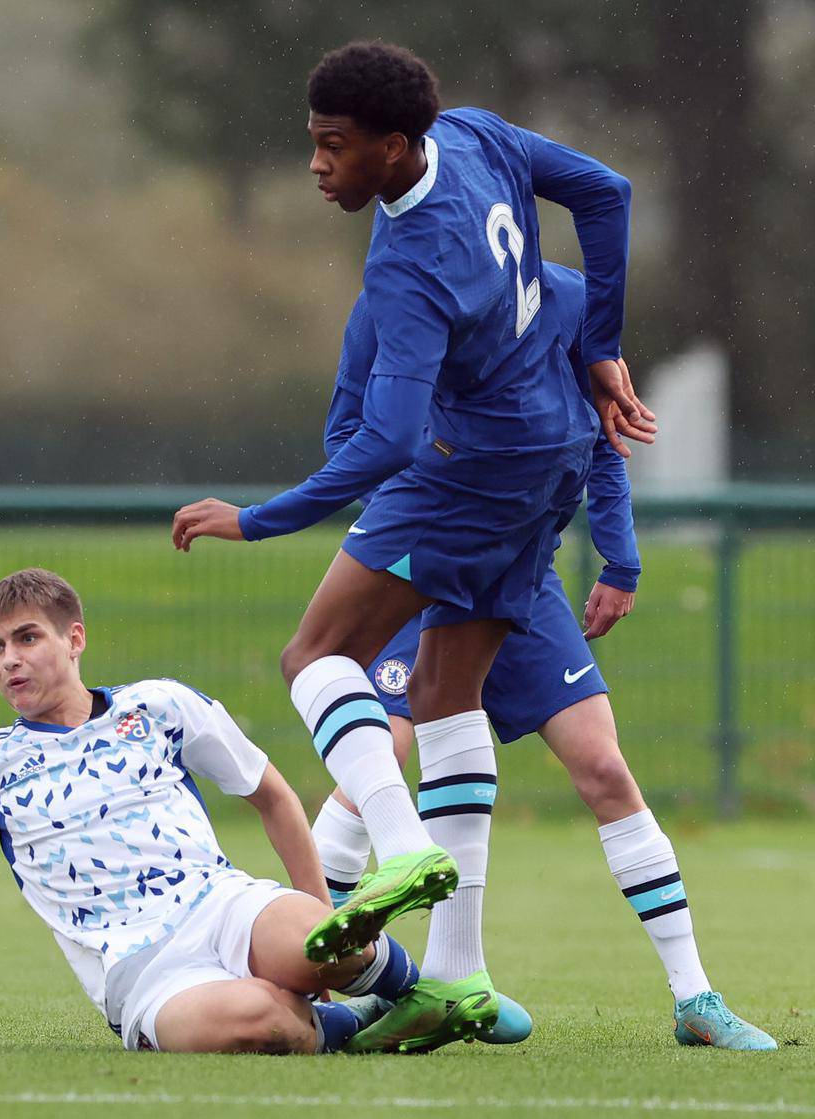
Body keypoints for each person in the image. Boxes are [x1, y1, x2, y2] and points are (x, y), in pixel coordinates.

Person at [169, 40, 657, 1051]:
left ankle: (397, 849)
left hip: (466, 472)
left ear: (394, 147)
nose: (317, 166)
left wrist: (256, 519)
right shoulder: (475, 133)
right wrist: (602, 340)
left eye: (334, 147)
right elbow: (605, 192)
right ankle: (455, 976)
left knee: (315, 656)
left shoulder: (407, 267)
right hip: (549, 463)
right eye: (313, 144)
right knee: (444, 696)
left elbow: (386, 441)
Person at [307, 264, 775, 1050]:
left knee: (603, 766)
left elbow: (604, 432)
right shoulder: (389, 300)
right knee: (379, 756)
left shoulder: (562, 301)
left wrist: (620, 560)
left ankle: (695, 996)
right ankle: (325, 978)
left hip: (522, 575)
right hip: (425, 561)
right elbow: (347, 435)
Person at [0, 569, 452, 1056]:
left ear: (74, 638)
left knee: (320, 943)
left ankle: (434, 996)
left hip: (224, 905)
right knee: (259, 1016)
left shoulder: (158, 708)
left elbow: (274, 797)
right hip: (139, 969)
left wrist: (324, 916)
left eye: (27, 638)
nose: (9, 659)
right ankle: (357, 1025)